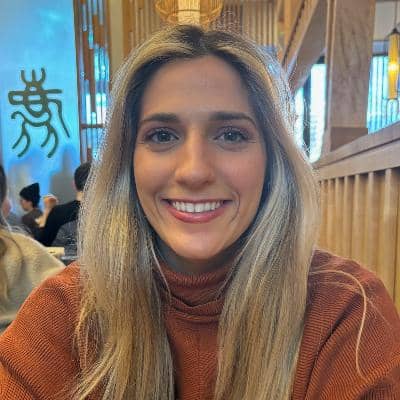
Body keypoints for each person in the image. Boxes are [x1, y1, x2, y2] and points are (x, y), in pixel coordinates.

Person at [0, 25, 399, 400]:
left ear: (272, 160)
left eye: (231, 135)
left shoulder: (346, 310)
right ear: (127, 163)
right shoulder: (67, 310)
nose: (194, 171)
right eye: (162, 135)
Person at [0, 166, 63, 333]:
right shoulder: (24, 248)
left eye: (21, 200)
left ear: (28, 202)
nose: (15, 203)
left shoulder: (25, 220)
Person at [38, 162, 91, 249]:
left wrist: (47, 211)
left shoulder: (57, 212)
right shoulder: (105, 214)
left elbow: (43, 246)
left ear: (74, 184)